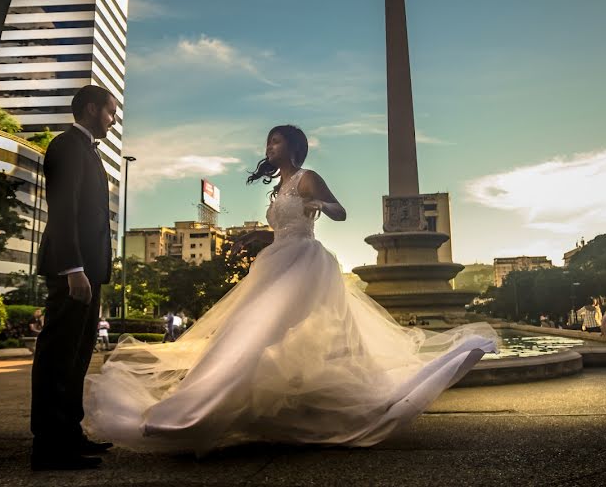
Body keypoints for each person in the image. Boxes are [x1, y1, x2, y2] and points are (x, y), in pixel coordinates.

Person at [83, 125, 498, 455]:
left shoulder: (307, 178)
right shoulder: (279, 186)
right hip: (276, 261)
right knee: (254, 337)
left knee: (263, 335)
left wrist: (321, 206)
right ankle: (231, 408)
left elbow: (340, 211)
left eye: (276, 140)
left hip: (304, 264)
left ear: (293, 148)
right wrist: (258, 238)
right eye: (268, 141)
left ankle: (206, 410)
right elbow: (282, 226)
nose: (269, 146)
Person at [30, 85, 117, 471]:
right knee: (58, 356)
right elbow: (63, 209)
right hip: (74, 270)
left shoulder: (87, 151)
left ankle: (69, 432)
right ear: (92, 108)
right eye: (111, 113)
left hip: (89, 271)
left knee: (78, 357)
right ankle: (49, 446)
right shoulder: (66, 146)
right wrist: (73, 268)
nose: (113, 121)